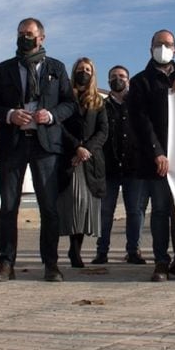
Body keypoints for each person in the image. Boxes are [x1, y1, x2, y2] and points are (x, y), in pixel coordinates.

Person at [0, 18, 76, 282]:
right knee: (9, 206)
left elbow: (69, 103)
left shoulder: (56, 68)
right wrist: (11, 114)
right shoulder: (4, 69)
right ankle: (6, 263)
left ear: (41, 38)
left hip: (45, 145)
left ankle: (50, 264)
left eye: (30, 34)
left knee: (48, 207)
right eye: (21, 33)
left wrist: (51, 115)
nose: (24, 37)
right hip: (13, 144)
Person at [127, 29, 175, 282]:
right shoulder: (139, 82)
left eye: (168, 44)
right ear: (150, 48)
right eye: (159, 44)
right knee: (159, 211)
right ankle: (161, 261)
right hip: (156, 159)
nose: (163, 48)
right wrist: (157, 152)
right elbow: (141, 122)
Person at [91, 65, 147, 265]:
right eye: (113, 76)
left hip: (134, 168)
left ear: (129, 80)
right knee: (105, 212)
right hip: (109, 168)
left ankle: (133, 251)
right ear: (108, 82)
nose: (118, 79)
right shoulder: (101, 106)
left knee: (135, 212)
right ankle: (102, 252)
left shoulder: (139, 105)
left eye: (122, 76)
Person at [59, 58, 109, 268]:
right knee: (73, 205)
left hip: (90, 160)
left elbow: (103, 130)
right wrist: (76, 147)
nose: (84, 72)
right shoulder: (65, 99)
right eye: (80, 69)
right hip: (70, 160)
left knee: (86, 206)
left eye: (87, 70)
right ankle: (72, 250)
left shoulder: (98, 101)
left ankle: (76, 250)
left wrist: (87, 149)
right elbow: (59, 126)